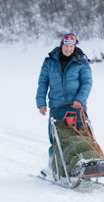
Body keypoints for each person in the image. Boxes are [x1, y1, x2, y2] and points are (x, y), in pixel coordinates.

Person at [35, 33, 92, 172]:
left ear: (75, 46)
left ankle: (85, 163)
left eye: (71, 46)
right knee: (57, 138)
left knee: (82, 136)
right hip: (57, 106)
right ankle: (54, 168)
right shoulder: (49, 62)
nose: (68, 49)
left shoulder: (81, 62)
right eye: (66, 46)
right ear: (62, 45)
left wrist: (80, 100)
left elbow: (87, 83)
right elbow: (43, 83)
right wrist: (40, 102)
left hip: (76, 106)